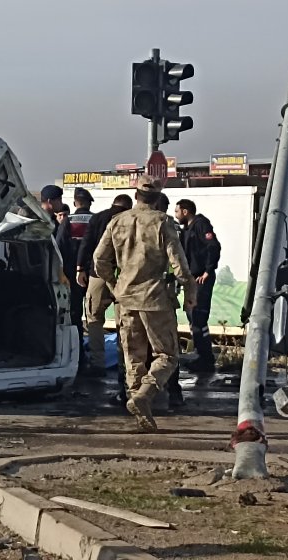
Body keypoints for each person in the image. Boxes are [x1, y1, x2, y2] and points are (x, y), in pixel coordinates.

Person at [93, 180, 196, 432]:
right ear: (158, 199)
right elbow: (179, 264)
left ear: (135, 195)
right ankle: (145, 395)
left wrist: (114, 284)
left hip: (125, 299)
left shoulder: (117, 221)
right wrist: (190, 291)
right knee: (167, 355)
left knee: (133, 358)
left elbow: (99, 259)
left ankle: (139, 408)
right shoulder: (162, 222)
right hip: (155, 299)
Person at [76, 194, 132, 388]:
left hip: (98, 275)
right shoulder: (132, 219)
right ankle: (125, 364)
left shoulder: (98, 218)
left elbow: (87, 243)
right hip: (124, 277)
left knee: (94, 318)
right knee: (124, 321)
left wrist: (80, 268)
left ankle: (97, 363)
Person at [175, 199, 221, 375]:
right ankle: (202, 355)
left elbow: (213, 246)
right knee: (193, 318)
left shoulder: (201, 224)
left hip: (201, 279)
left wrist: (208, 270)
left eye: (177, 211)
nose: (176, 215)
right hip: (192, 279)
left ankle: (205, 359)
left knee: (198, 318)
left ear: (185, 211)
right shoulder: (186, 229)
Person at [69, 188, 95, 373]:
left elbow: (60, 246)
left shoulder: (69, 221)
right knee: (94, 316)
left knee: (75, 315)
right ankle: (96, 356)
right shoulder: (97, 220)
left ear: (74, 203)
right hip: (95, 274)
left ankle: (78, 354)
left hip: (73, 276)